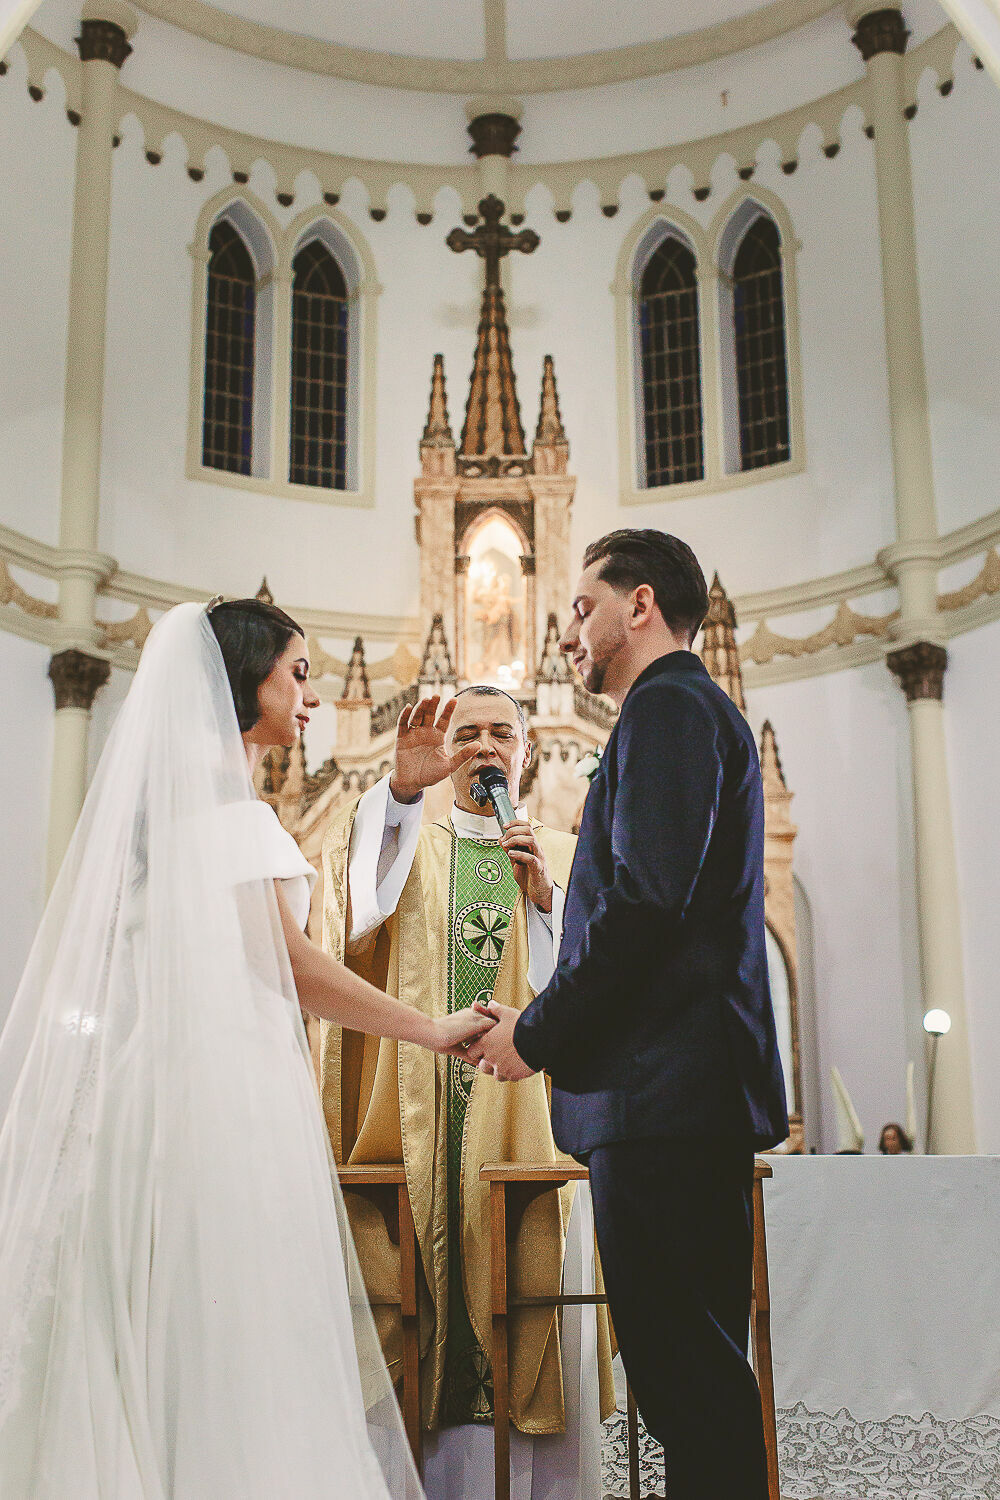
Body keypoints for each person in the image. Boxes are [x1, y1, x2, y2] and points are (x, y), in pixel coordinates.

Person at [0, 598, 492, 1499]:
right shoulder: (235, 818)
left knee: (168, 1326)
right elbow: (293, 965)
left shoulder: (165, 822)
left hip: (154, 1098)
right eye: (297, 675)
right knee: (235, 1332)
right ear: (241, 680)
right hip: (222, 1107)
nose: (311, 698)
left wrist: (400, 793)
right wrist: (430, 1028)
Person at [468, 529, 790, 1499]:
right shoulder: (677, 712)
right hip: (673, 1096)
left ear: (638, 603)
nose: (568, 632)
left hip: (664, 1100)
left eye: (580, 608)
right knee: (689, 1380)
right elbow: (656, 899)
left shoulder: (668, 709)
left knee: (687, 1382)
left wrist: (534, 1034)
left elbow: (645, 906)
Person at [318, 684, 613, 1500]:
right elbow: (353, 921)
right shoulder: (403, 839)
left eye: (501, 734)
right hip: (417, 1132)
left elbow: (605, 991)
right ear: (445, 753)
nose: (485, 748)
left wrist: (549, 902)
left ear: (527, 752)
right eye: (468, 734)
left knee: (533, 1299)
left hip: (531, 1135)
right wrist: (399, 793)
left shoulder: (566, 852)